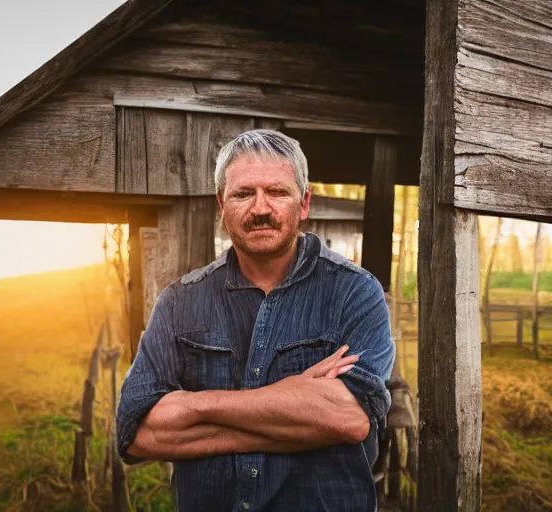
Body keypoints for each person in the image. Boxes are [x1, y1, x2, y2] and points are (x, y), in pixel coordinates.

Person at [116, 129, 395, 512]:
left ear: (304, 202)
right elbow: (136, 433)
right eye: (243, 193)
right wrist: (295, 401)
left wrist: (194, 407)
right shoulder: (180, 301)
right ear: (221, 204)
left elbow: (348, 418)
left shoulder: (355, 293)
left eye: (277, 192)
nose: (260, 208)